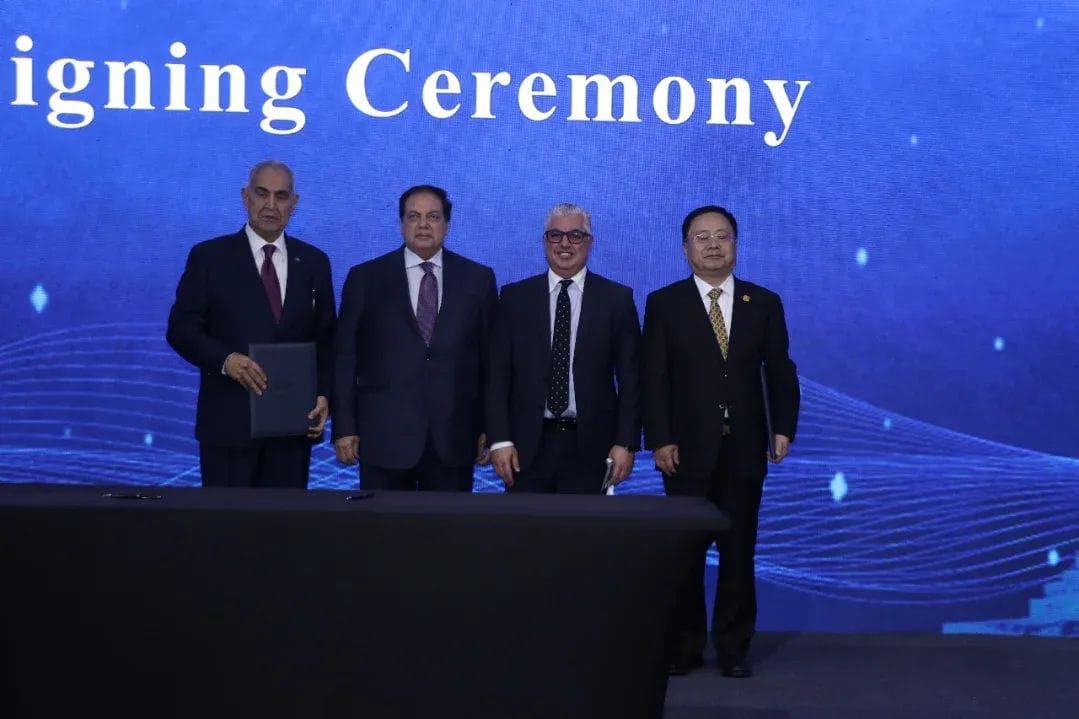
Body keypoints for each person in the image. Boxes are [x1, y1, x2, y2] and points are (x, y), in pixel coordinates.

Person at [641, 205, 799, 678]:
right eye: (702, 237)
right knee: (684, 554)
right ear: (685, 248)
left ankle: (733, 648)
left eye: (722, 236)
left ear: (735, 244)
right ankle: (685, 647)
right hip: (685, 452)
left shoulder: (762, 302)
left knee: (738, 553)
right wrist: (660, 438)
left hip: (744, 448)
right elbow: (654, 378)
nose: (713, 244)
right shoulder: (664, 303)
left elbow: (781, 371)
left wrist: (783, 427)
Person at [166, 160, 336, 488]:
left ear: (294, 203)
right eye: (262, 193)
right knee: (227, 521)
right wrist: (225, 360)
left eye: (281, 196)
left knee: (286, 520)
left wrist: (325, 394)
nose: (271, 204)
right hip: (228, 428)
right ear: (246, 197)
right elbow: (181, 329)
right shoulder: (209, 257)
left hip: (292, 429)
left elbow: (327, 340)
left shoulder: (314, 262)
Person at [332, 185, 496, 491]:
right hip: (383, 438)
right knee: (383, 523)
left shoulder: (478, 279)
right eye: (413, 216)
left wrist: (490, 428)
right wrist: (343, 426)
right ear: (401, 223)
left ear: (447, 224)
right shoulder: (365, 278)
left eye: (433, 217)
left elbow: (490, 362)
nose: (423, 225)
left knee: (449, 523)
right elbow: (345, 358)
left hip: (454, 439)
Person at [486, 203, 640, 493]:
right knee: (523, 524)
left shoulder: (616, 300)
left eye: (576, 235)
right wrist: (499, 440)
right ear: (544, 241)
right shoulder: (514, 298)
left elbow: (631, 379)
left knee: (586, 524)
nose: (565, 243)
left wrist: (626, 442)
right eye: (555, 235)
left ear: (590, 242)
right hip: (523, 449)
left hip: (592, 448)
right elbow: (496, 376)